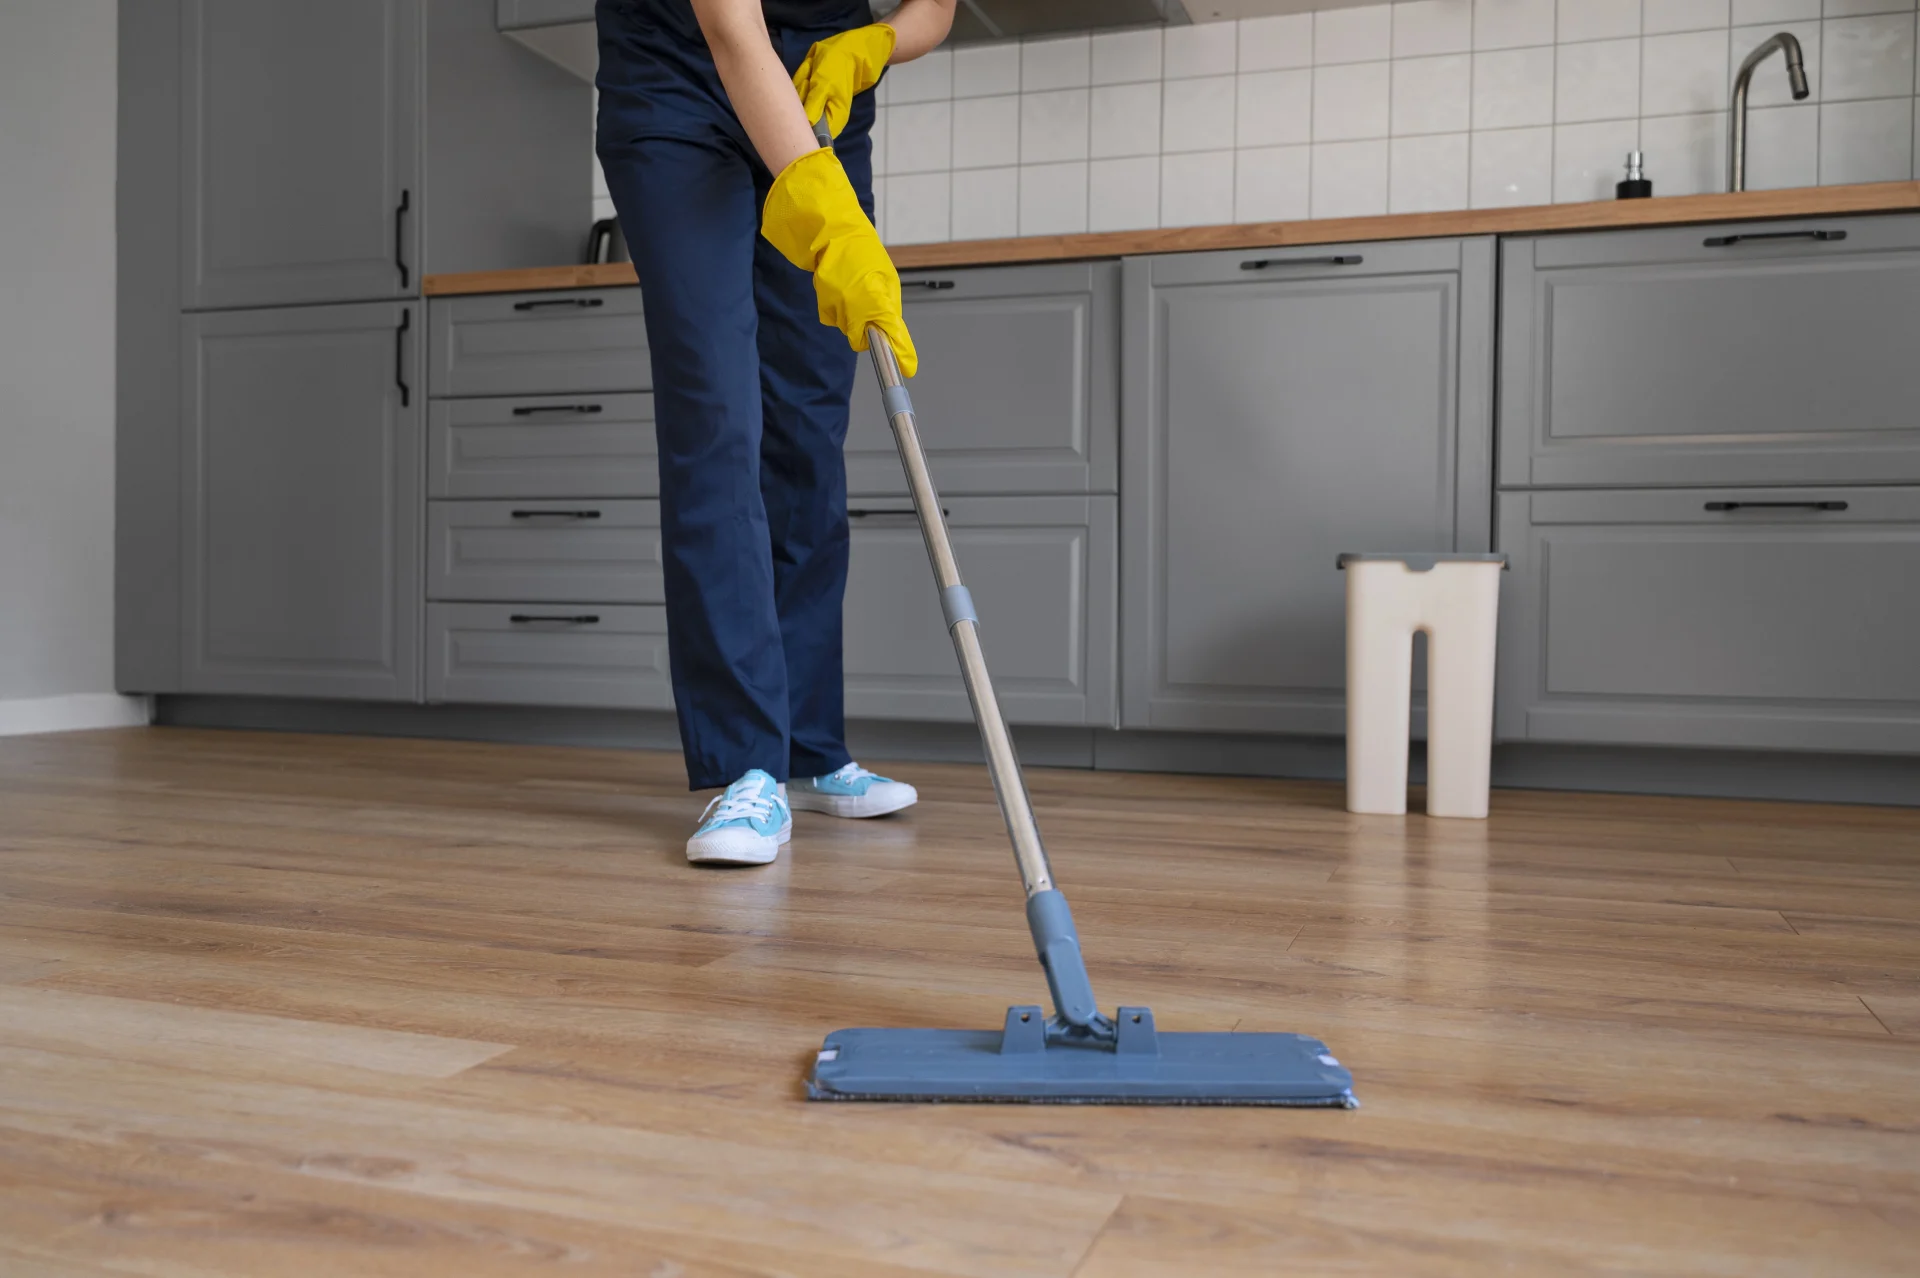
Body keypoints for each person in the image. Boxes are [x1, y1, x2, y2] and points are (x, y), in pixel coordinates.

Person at [594, 0, 957, 865]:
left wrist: (874, 45)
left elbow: (936, 10)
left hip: (817, 85)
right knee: (717, 418)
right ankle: (746, 765)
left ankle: (805, 746)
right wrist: (829, 220)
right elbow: (731, 29)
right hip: (678, 79)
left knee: (808, 426)